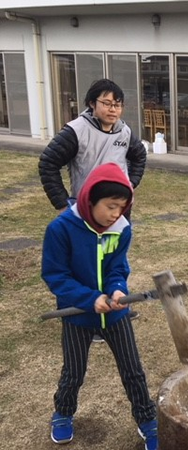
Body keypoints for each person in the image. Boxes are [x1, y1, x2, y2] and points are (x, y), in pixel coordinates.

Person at [41, 163, 157, 450]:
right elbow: (56, 275)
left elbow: (117, 268)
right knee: (73, 372)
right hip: (77, 316)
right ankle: (63, 412)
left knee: (133, 370)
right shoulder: (61, 229)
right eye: (110, 206)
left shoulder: (120, 229)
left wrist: (117, 290)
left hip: (116, 316)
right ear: (90, 199)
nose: (116, 213)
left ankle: (148, 419)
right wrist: (89, 299)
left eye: (121, 206)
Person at [39, 78, 147, 322]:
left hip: (115, 210)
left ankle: (116, 305)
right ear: (91, 103)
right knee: (82, 265)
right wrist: (61, 203)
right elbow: (48, 163)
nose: (113, 110)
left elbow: (139, 157)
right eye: (107, 103)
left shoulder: (124, 131)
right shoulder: (76, 131)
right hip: (86, 213)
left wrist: (130, 185)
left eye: (118, 105)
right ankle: (85, 316)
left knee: (114, 261)